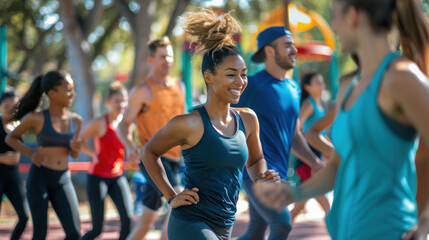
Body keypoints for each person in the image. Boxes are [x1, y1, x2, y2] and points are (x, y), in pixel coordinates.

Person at [254, 0, 429, 239]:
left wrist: (424, 222)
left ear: (354, 16)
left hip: (388, 230)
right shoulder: (348, 86)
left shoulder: (401, 77)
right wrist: (294, 193)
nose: (333, 26)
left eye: (335, 16)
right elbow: (338, 165)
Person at [140, 8, 280, 240]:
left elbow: (255, 161)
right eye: (231, 74)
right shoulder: (189, 123)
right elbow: (149, 152)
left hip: (225, 224)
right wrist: (171, 194)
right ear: (208, 77)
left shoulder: (248, 118)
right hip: (190, 222)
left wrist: (262, 176)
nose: (240, 81)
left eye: (243, 74)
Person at [233, 26, 322, 240]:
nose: (294, 50)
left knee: (255, 232)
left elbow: (294, 135)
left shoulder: (294, 88)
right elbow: (225, 118)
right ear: (270, 51)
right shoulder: (251, 85)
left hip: (279, 173)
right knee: (282, 224)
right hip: (255, 173)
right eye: (287, 45)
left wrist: (314, 162)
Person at [117, 37, 185, 240]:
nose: (168, 60)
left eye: (170, 56)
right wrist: (129, 147)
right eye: (163, 57)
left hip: (176, 159)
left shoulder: (179, 87)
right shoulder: (142, 91)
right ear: (151, 60)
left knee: (146, 222)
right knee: (179, 200)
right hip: (152, 158)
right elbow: (123, 124)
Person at [6, 71, 82, 240]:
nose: (72, 93)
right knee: (40, 234)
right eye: (68, 89)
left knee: (75, 234)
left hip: (63, 178)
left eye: (72, 89)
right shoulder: (36, 118)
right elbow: (10, 138)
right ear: (53, 94)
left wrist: (75, 149)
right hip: (40, 178)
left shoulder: (76, 121)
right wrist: (31, 153)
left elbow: (75, 155)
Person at [80, 81, 133, 240]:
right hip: (98, 178)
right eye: (117, 101)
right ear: (108, 102)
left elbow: (129, 147)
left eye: (124, 101)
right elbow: (79, 140)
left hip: (117, 176)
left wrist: (134, 155)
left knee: (128, 219)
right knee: (97, 229)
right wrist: (92, 154)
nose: (121, 104)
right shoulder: (100, 122)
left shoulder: (126, 125)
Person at [290, 72, 330, 223]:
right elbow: (296, 129)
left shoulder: (321, 105)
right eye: (317, 83)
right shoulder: (309, 104)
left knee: (300, 204)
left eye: (322, 82)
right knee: (326, 205)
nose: (322, 85)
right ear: (308, 87)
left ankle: (278, 232)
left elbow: (321, 133)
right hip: (307, 158)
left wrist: (328, 150)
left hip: (317, 158)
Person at [0, 91, 29, 240]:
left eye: (15, 106)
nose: (10, 109)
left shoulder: (19, 125)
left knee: (24, 216)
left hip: (13, 176)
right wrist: (2, 158)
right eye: (6, 106)